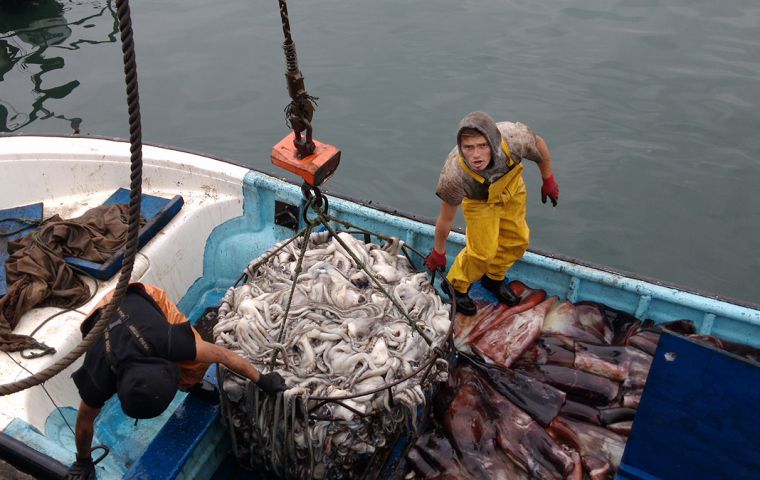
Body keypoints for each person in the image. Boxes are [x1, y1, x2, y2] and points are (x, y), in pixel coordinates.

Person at [64, 283, 286, 479]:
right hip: (97, 318)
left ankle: (193, 384)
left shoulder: (167, 340)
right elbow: (84, 424)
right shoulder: (99, 375)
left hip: (135, 294)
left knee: (194, 363)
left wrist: (261, 379)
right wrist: (83, 460)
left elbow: (222, 355)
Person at [425, 111, 559, 316]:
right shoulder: (454, 176)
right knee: (482, 253)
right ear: (461, 148)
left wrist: (548, 179)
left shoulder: (515, 139)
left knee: (517, 241)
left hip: (512, 190)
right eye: (468, 148)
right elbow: (446, 218)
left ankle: (493, 278)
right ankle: (456, 286)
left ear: (494, 143)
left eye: (482, 146)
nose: (476, 155)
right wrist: (439, 251)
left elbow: (539, 143)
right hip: (480, 203)